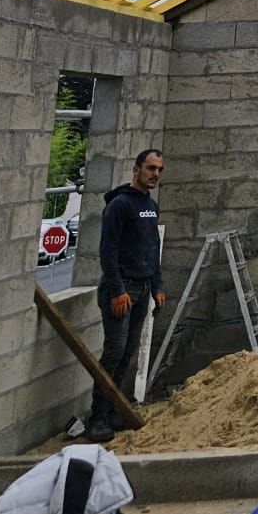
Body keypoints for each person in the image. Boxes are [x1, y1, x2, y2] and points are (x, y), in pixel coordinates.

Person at [85, 149, 165, 442]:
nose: (155, 174)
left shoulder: (150, 206)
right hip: (122, 290)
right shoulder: (119, 205)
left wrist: (157, 285)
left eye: (159, 170)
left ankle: (116, 409)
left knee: (128, 353)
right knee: (114, 352)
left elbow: (151, 247)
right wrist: (118, 290)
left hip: (142, 288)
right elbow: (108, 251)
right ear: (136, 170)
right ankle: (97, 416)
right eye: (150, 168)